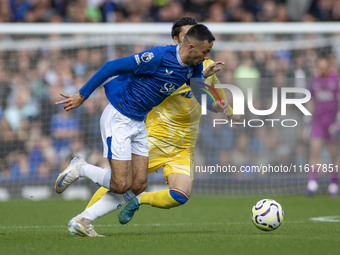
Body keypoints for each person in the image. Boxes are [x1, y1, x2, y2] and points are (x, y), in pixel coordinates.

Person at [54, 23, 228, 237]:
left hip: (138, 123)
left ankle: (82, 221)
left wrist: (214, 106)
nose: (207, 56)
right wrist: (82, 95)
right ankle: (81, 168)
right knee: (120, 183)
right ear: (190, 47)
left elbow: (197, 90)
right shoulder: (158, 56)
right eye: (205, 52)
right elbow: (111, 66)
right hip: (119, 117)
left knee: (138, 185)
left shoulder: (194, 67)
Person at [306, 57, 340, 196]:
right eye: (319, 67)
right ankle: (312, 183)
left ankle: (333, 183)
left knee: (334, 154)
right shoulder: (314, 81)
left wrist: (338, 121)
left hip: (332, 123)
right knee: (315, 150)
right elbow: (311, 101)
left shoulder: (336, 80)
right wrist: (307, 120)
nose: (322, 69)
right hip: (318, 122)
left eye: (324, 66)